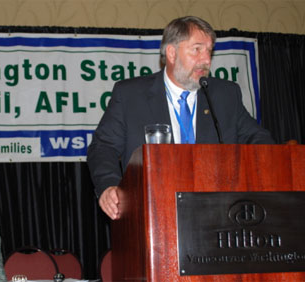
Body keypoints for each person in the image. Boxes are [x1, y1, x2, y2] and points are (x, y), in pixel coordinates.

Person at [87, 16, 275, 220]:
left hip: (217, 215)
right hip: (151, 212)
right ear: (171, 52)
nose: (206, 60)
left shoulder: (225, 95)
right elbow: (103, 146)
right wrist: (108, 186)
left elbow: (259, 140)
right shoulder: (130, 95)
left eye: (209, 51)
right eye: (197, 49)